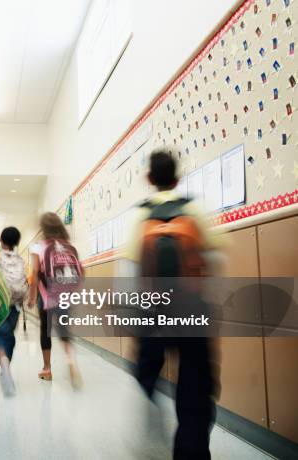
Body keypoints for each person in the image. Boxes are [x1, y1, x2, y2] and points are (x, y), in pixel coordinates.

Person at [124, 149, 222, 460]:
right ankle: (191, 450)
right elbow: (216, 259)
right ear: (178, 178)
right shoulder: (194, 210)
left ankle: (150, 392)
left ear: (149, 179)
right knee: (196, 387)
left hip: (154, 313)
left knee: (144, 367)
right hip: (193, 311)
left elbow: (127, 272)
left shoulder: (141, 216)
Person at [27, 212, 82, 389]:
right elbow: (81, 271)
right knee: (64, 330)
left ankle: (47, 369)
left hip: (47, 296)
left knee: (46, 330)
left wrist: (32, 296)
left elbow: (35, 274)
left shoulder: (38, 247)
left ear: (43, 228)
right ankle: (71, 360)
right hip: (67, 295)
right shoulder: (69, 246)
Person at [0, 226, 28, 396]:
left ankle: (5, 367)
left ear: (1, 241)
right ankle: (6, 366)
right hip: (15, 305)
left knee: (0, 337)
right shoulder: (21, 260)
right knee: (9, 337)